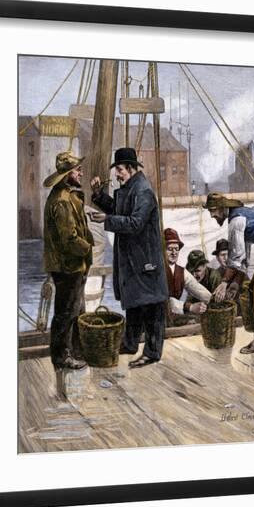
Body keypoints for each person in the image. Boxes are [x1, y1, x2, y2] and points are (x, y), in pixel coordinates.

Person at [90, 147, 168, 369]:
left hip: (145, 260)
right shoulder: (131, 188)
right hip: (134, 259)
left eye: (120, 170)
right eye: (117, 170)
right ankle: (131, 343)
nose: (117, 174)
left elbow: (134, 223)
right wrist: (98, 197)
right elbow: (119, 209)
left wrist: (107, 220)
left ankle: (152, 352)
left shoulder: (143, 192)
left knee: (152, 307)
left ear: (132, 169)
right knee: (134, 302)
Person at [204, 192, 254, 354]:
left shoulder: (236, 222)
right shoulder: (240, 217)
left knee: (251, 292)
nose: (212, 215)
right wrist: (235, 283)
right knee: (249, 290)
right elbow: (243, 258)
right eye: (210, 211)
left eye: (214, 210)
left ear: (223, 208)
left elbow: (236, 258)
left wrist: (224, 283)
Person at [43, 152, 94, 370]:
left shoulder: (65, 196)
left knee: (74, 310)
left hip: (72, 265)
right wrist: (88, 248)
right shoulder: (62, 201)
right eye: (77, 170)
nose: (81, 173)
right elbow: (69, 239)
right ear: (67, 175)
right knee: (66, 313)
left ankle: (74, 352)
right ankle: (62, 357)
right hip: (68, 266)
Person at [163, 228, 211, 324]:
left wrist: (212, 299)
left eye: (176, 249)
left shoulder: (181, 271)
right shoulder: (158, 271)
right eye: (170, 249)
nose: (174, 253)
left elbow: (196, 287)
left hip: (172, 316)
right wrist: (190, 307)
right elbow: (165, 301)